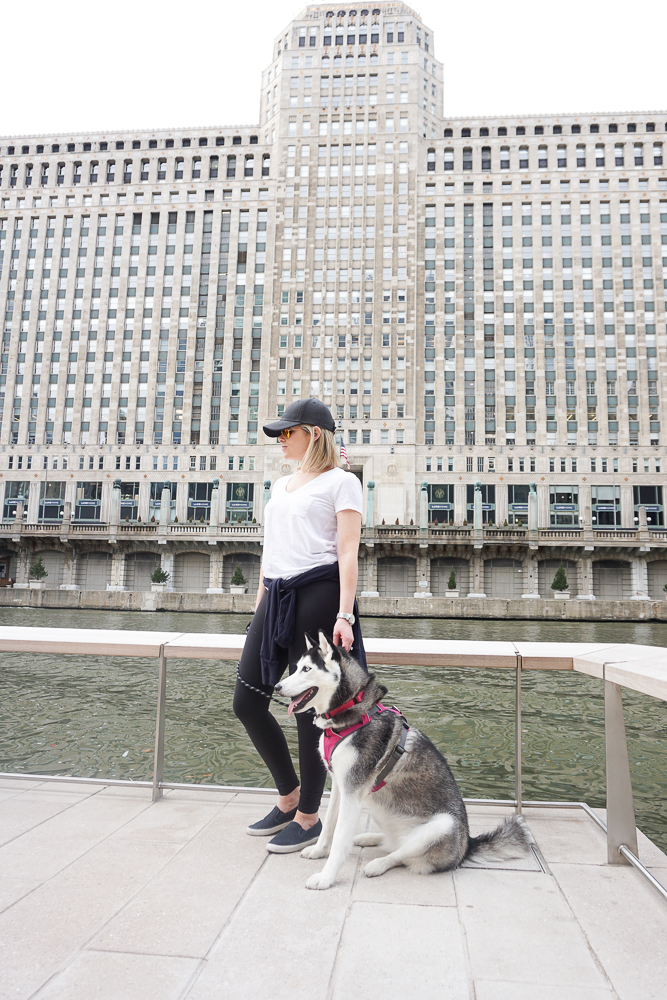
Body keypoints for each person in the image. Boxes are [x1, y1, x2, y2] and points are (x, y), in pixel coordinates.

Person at [233, 398, 365, 853]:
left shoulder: (343, 483)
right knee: (247, 700)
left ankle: (309, 817)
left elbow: (348, 552)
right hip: (276, 597)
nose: (281, 440)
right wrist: (259, 612)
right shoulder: (281, 485)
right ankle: (288, 796)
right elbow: (272, 551)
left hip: (319, 598)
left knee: (311, 713)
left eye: (288, 432)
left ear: (314, 433)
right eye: (279, 433)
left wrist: (344, 615)